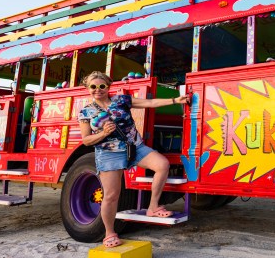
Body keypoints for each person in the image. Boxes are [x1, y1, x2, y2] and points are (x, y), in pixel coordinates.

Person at [77, 71, 190, 248]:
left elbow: (150, 103)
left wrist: (176, 100)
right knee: (112, 196)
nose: (97, 90)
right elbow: (85, 140)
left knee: (162, 165)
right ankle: (109, 232)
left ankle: (153, 206)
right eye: (93, 87)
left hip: (134, 147)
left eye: (101, 86)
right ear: (87, 88)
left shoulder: (122, 100)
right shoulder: (86, 112)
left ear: (108, 86)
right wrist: (103, 133)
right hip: (109, 153)